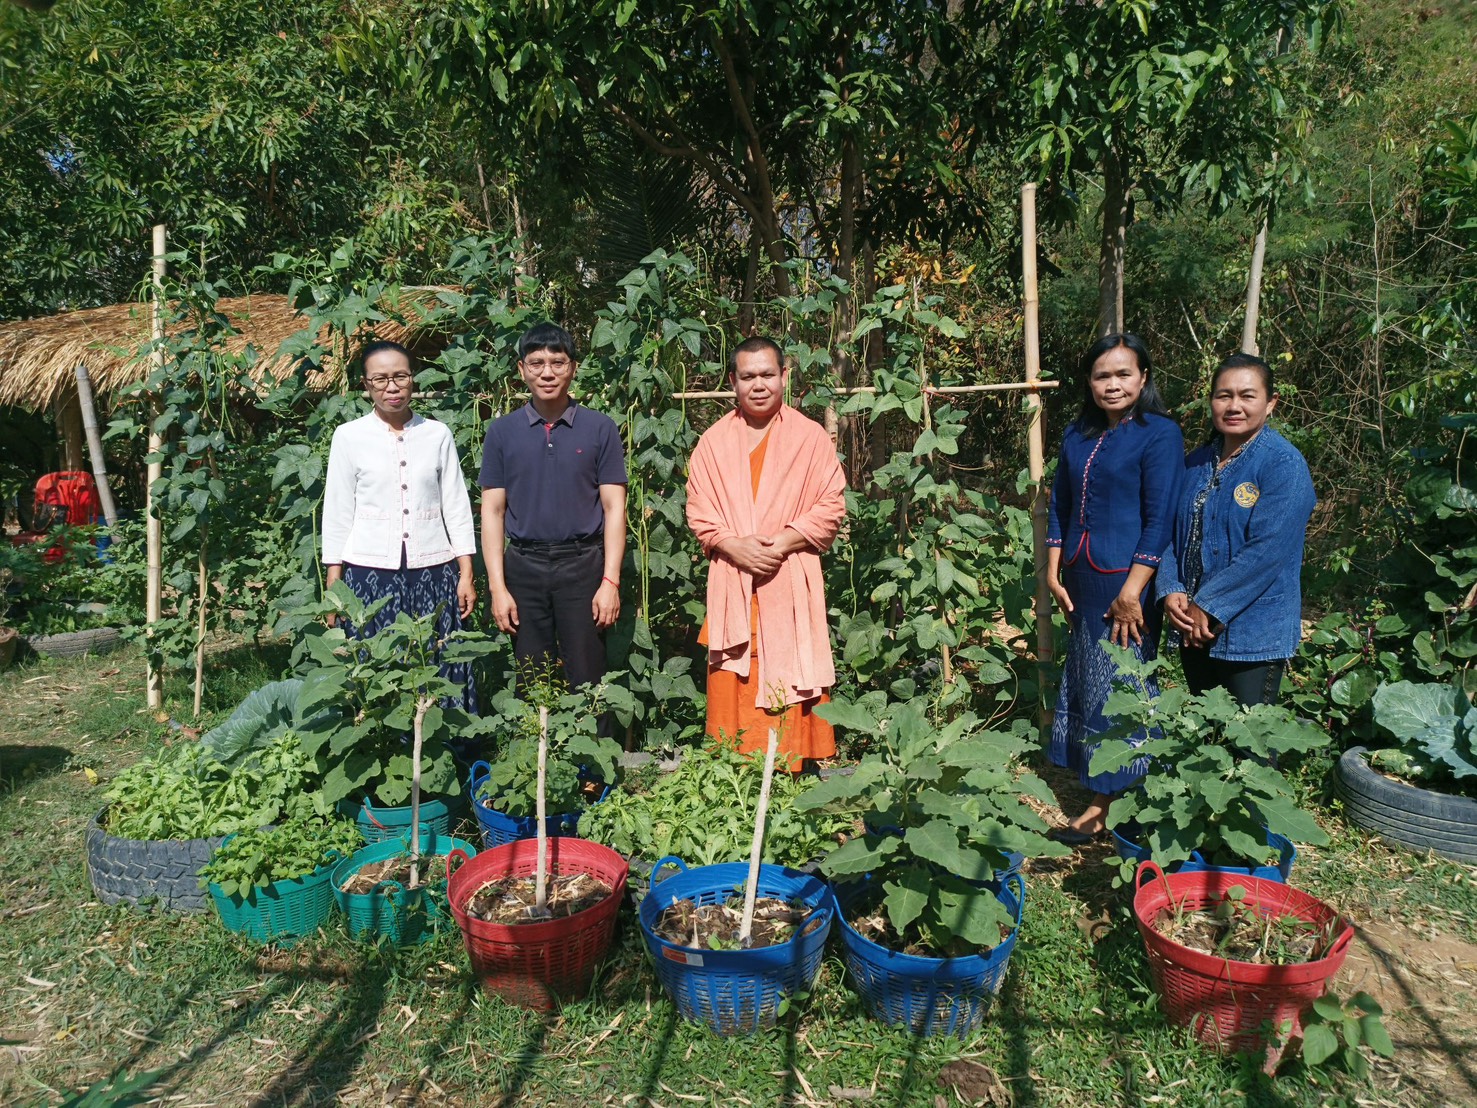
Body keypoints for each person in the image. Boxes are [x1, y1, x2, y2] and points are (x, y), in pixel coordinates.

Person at [1045, 333, 1184, 844]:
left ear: (1144, 378)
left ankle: (1108, 801)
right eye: (1103, 375)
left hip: (1127, 581)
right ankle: (1107, 783)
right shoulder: (1077, 435)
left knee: (1120, 686)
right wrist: (1052, 570)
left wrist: (1133, 590)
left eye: (1124, 374)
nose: (1113, 384)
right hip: (1083, 575)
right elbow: (1060, 504)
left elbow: (1159, 518)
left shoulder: (1159, 434)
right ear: (1089, 381)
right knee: (1089, 678)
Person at [686, 336, 847, 772]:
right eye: (748, 376)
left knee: (788, 674)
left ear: (785, 377)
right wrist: (733, 545)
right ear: (733, 382)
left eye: (768, 375)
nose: (759, 385)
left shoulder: (810, 439)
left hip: (787, 578)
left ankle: (790, 779)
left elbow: (831, 507)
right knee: (736, 683)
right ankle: (733, 783)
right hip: (733, 585)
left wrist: (780, 544)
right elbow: (699, 509)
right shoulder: (713, 443)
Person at [321, 339, 478, 709]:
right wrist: (334, 587)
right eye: (380, 379)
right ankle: (389, 750)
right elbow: (338, 510)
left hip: (434, 570)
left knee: (438, 656)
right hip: (369, 573)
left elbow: (455, 504)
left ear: (413, 380)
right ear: (366, 386)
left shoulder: (437, 434)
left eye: (400, 376)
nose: (392, 387)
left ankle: (449, 750)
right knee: (379, 660)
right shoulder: (348, 437)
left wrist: (466, 573)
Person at [1158, 352, 1316, 705]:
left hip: (1252, 632)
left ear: (1271, 402)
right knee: (1207, 738)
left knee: (1250, 743)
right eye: (1223, 395)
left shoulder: (1282, 465)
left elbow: (1266, 552)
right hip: (1193, 628)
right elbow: (1168, 532)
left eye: (1247, 396)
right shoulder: (1195, 463)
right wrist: (1171, 589)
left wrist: (1209, 605)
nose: (1234, 406)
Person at [479, 323, 628, 694]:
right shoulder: (502, 432)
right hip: (524, 568)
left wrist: (610, 582)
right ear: (521, 370)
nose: (547, 372)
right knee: (531, 676)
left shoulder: (599, 428)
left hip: (583, 565)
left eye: (558, 362)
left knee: (590, 674)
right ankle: (536, 751)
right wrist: (498, 589)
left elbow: (614, 508)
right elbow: (493, 513)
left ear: (573, 368)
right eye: (537, 363)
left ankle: (594, 752)